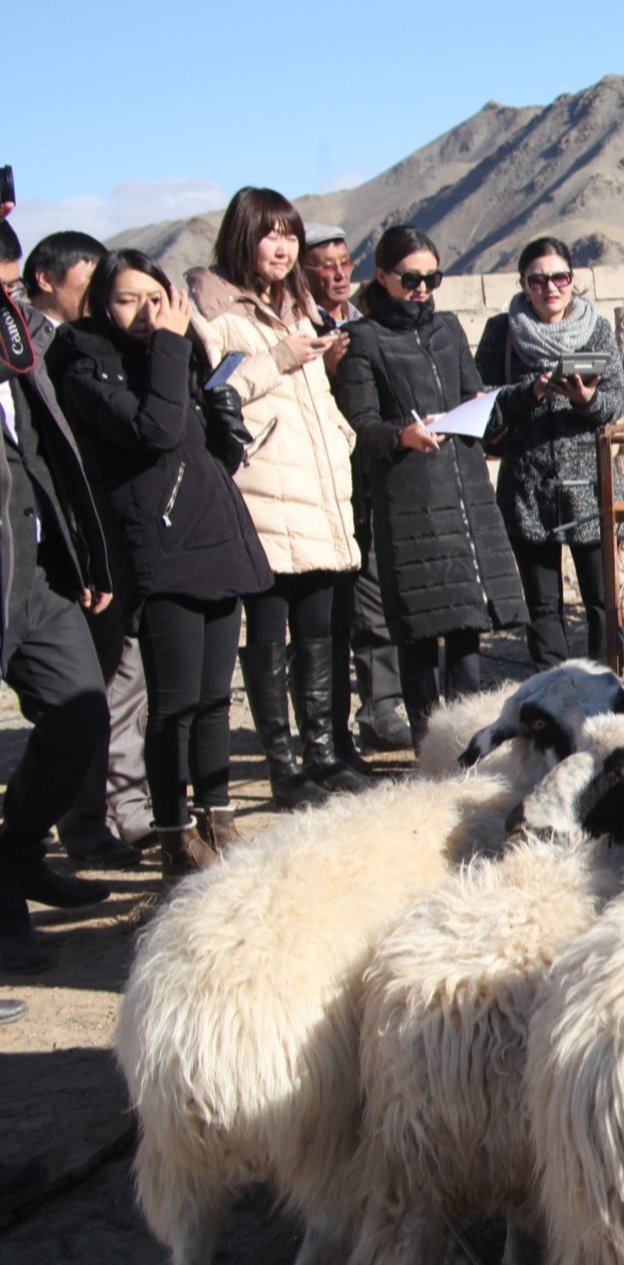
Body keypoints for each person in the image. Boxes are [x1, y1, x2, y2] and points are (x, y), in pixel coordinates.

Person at [51, 252, 274, 877]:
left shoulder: (173, 353)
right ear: (101, 303)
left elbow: (201, 440)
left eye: (156, 298)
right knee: (172, 704)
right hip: (160, 547)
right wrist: (175, 349)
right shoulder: (86, 366)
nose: (146, 313)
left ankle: (219, 818)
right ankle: (175, 833)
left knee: (211, 701)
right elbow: (155, 431)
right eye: (128, 299)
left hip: (213, 537)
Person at [190, 189, 368, 808]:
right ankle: (282, 765)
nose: (284, 246)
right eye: (271, 235)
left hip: (317, 488)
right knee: (268, 631)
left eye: (290, 235)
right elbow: (220, 392)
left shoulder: (298, 306)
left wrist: (340, 436)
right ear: (243, 238)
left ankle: (323, 753)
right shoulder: (213, 311)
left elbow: (315, 396)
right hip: (263, 492)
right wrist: (281, 357)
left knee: (320, 627)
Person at [333, 226, 525, 740]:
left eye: (432, 278)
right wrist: (403, 437)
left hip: (464, 490)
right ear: (381, 277)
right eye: (410, 279)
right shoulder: (364, 340)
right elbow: (362, 426)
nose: (422, 289)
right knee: (420, 628)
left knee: (466, 625)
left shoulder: (448, 329)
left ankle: (466, 738)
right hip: (410, 500)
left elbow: (470, 394)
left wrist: (484, 412)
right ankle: (429, 743)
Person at [0, 221, 117, 973]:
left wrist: (80, 554)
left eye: (10, 285)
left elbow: (42, 451)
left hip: (31, 572)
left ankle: (13, 857)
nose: (8, 299)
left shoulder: (17, 336)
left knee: (79, 711)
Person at [24, 230, 147, 866]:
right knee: (80, 690)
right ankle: (78, 823)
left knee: (121, 679)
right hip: (50, 549)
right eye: (91, 278)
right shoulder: (34, 349)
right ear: (46, 277)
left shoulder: (93, 346)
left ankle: (122, 812)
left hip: (101, 539)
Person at [475, 237, 624, 669]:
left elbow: (617, 399)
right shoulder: (502, 332)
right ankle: (552, 686)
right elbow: (482, 402)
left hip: (588, 483)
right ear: (523, 284)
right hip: (528, 484)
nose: (550, 288)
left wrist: (585, 400)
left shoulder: (595, 328)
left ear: (572, 280)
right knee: (542, 605)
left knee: (602, 599)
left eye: (559, 277)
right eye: (538, 280)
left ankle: (607, 682)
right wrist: (530, 392)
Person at [301, 223, 407, 753]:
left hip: (372, 473)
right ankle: (347, 721)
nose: (338, 272)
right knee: (340, 609)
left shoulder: (363, 324)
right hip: (321, 481)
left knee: (378, 584)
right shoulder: (300, 330)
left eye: (344, 261)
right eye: (324, 264)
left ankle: (383, 703)